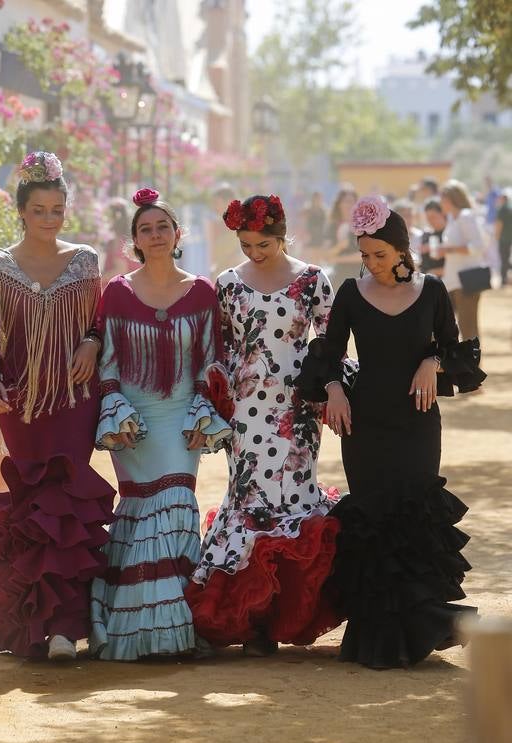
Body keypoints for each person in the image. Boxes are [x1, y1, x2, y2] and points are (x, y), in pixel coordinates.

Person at [295, 195, 486, 670]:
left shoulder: (435, 290)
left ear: (401, 249)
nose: (371, 264)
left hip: (417, 423)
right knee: (375, 518)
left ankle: (419, 626)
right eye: (364, 255)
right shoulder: (351, 293)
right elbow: (327, 352)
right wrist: (335, 390)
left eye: (379, 254)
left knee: (414, 513)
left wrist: (432, 360)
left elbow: (456, 350)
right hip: (365, 425)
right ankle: (377, 635)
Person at [0, 151, 114, 661]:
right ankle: (31, 626)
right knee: (31, 504)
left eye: (57, 209)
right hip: (21, 405)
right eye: (40, 209)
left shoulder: (86, 261)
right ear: (21, 211)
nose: (49, 218)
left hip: (73, 399)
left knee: (65, 502)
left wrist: (89, 342)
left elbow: (100, 320)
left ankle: (65, 628)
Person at [185, 193, 345, 656]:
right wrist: (215, 398)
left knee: (293, 497)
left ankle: (279, 616)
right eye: (246, 245)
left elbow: (331, 344)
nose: (255, 254)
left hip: (299, 410)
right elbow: (220, 348)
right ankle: (250, 622)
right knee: (248, 498)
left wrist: (333, 389)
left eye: (264, 245)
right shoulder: (228, 284)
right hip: (247, 410)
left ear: (282, 234)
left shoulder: (313, 280)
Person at [90, 187, 231, 661]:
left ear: (177, 234)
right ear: (134, 239)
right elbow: (106, 361)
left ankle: (174, 632)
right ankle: (139, 635)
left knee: (175, 503)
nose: (154, 235)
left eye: (162, 227)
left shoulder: (203, 291)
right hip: (133, 421)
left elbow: (212, 360)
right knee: (139, 515)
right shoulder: (116, 292)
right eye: (145, 229)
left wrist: (201, 409)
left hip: (181, 417)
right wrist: (115, 405)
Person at [440, 179, 488, 341]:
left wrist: (449, 249)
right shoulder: (454, 219)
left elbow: (477, 245)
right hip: (455, 280)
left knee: (468, 328)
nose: (441, 202)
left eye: (443, 198)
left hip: (466, 281)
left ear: (452, 198)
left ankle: (472, 365)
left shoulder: (465, 216)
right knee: (462, 327)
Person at [326, 185, 360, 291]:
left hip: (360, 278)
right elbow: (326, 255)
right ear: (339, 204)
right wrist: (340, 247)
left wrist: (338, 259)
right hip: (339, 279)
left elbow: (364, 256)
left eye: (352, 201)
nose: (349, 205)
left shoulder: (363, 225)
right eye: (346, 201)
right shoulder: (332, 226)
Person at [419, 199, 447, 277]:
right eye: (428, 218)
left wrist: (435, 272)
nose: (430, 221)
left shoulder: (449, 234)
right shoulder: (427, 235)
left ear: (442, 214)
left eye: (433, 217)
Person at [495, 191, 512, 286]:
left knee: (503, 258)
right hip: (509, 237)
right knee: (506, 257)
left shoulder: (501, 210)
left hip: (503, 238)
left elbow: (499, 224)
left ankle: (503, 278)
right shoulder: (510, 209)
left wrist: (496, 236)